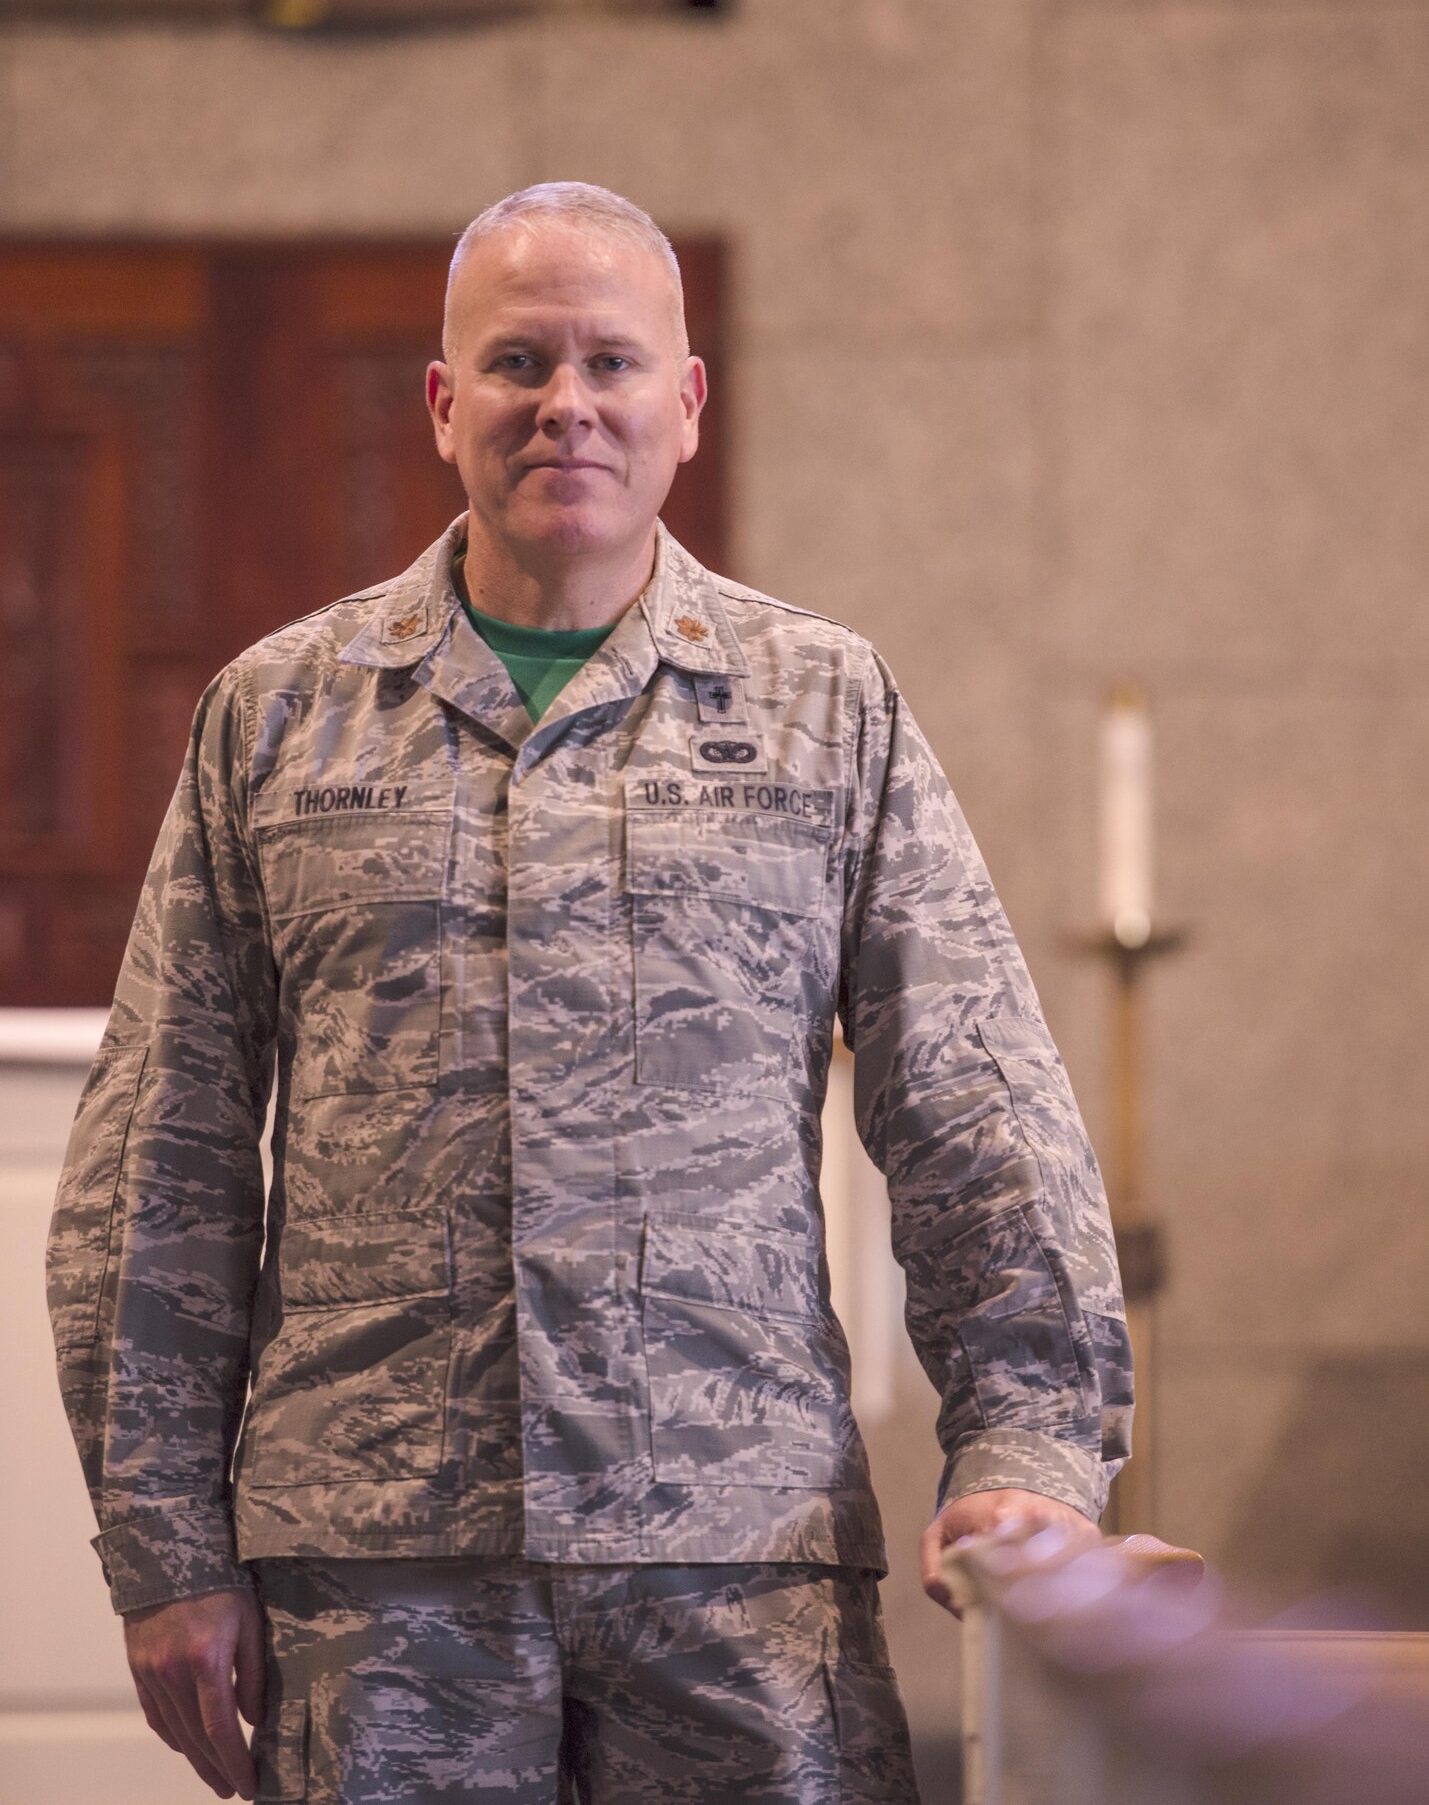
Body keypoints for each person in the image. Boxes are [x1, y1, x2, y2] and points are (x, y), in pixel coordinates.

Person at [46, 182, 1131, 1804]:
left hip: (735, 1563)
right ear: (441, 403)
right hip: (378, 1584)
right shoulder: (278, 720)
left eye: (611, 363)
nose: (567, 405)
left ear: (685, 406)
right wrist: (162, 1543)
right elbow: (161, 1163)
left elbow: (974, 1099)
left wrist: (1031, 1449)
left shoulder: (821, 710)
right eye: (517, 363)